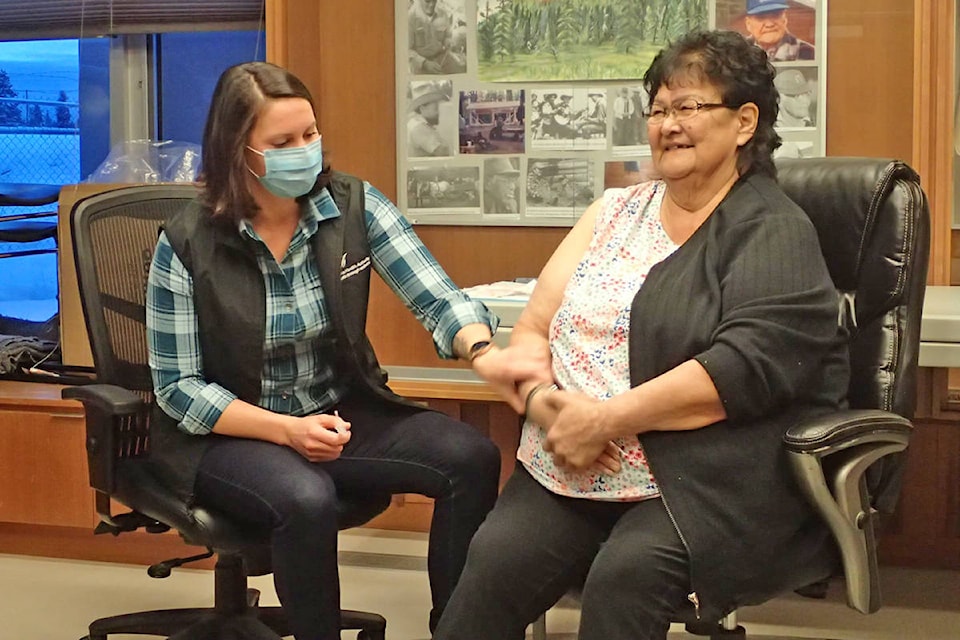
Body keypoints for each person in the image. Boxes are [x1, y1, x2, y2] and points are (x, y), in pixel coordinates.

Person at [434, 29, 848, 640]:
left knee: (622, 586)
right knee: (488, 577)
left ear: (744, 121)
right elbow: (532, 331)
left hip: (697, 481)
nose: (668, 124)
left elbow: (742, 368)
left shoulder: (772, 230)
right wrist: (550, 409)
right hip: (567, 462)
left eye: (689, 107)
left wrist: (605, 420)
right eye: (658, 109)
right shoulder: (613, 212)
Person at [144, 62, 539, 640]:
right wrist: (284, 431)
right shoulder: (186, 243)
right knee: (306, 497)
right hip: (229, 433)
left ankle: (457, 630)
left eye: (309, 134)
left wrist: (484, 350)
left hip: (335, 411)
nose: (304, 151)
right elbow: (179, 389)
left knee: (471, 456)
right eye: (282, 142)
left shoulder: (351, 205)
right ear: (239, 151)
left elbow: (436, 295)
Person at [743, 0, 815, 61]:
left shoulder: (810, 52)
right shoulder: (737, 53)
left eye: (775, 15)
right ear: (748, 24)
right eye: (761, 17)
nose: (769, 24)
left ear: (784, 19)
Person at [408, 0, 466, 74]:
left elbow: (447, 36)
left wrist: (447, 41)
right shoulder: (410, 17)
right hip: (420, 63)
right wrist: (425, 63)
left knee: (462, 70)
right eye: (427, 1)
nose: (432, 5)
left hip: (441, 57)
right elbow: (407, 50)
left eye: (434, 1)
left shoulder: (443, 14)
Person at [408, 81, 452, 157]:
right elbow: (444, 152)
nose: (438, 113)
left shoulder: (415, 123)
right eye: (435, 109)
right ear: (422, 108)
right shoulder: (419, 128)